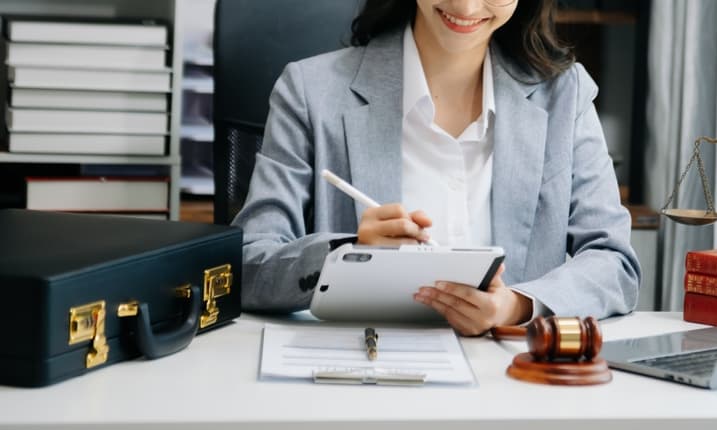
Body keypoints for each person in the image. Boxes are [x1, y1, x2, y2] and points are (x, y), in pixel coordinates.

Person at [233, 0, 640, 335]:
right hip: (361, 372)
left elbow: (613, 262)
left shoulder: (565, 95)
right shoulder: (310, 91)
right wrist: (346, 253)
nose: (465, 6)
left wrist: (514, 306)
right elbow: (247, 264)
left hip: (509, 385)